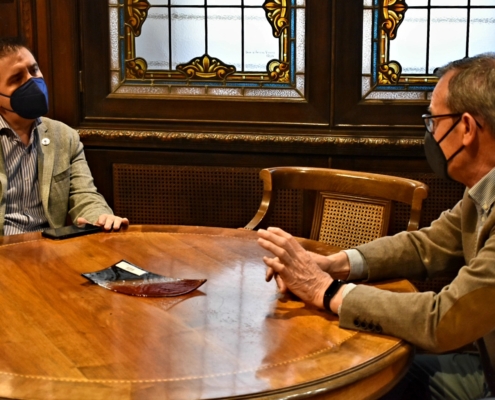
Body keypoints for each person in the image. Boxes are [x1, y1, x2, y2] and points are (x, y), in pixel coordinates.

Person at [257, 53, 495, 399]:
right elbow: (426, 245)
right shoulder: (482, 190)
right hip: (486, 371)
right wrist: (333, 264)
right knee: (360, 377)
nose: (429, 132)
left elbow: (441, 321)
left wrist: (326, 290)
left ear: (468, 128)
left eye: (433, 120)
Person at [0, 37, 128, 235]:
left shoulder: (64, 136)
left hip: (51, 249)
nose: (33, 81)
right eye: (17, 79)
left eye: (34, 70)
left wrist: (101, 217)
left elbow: (84, 195)